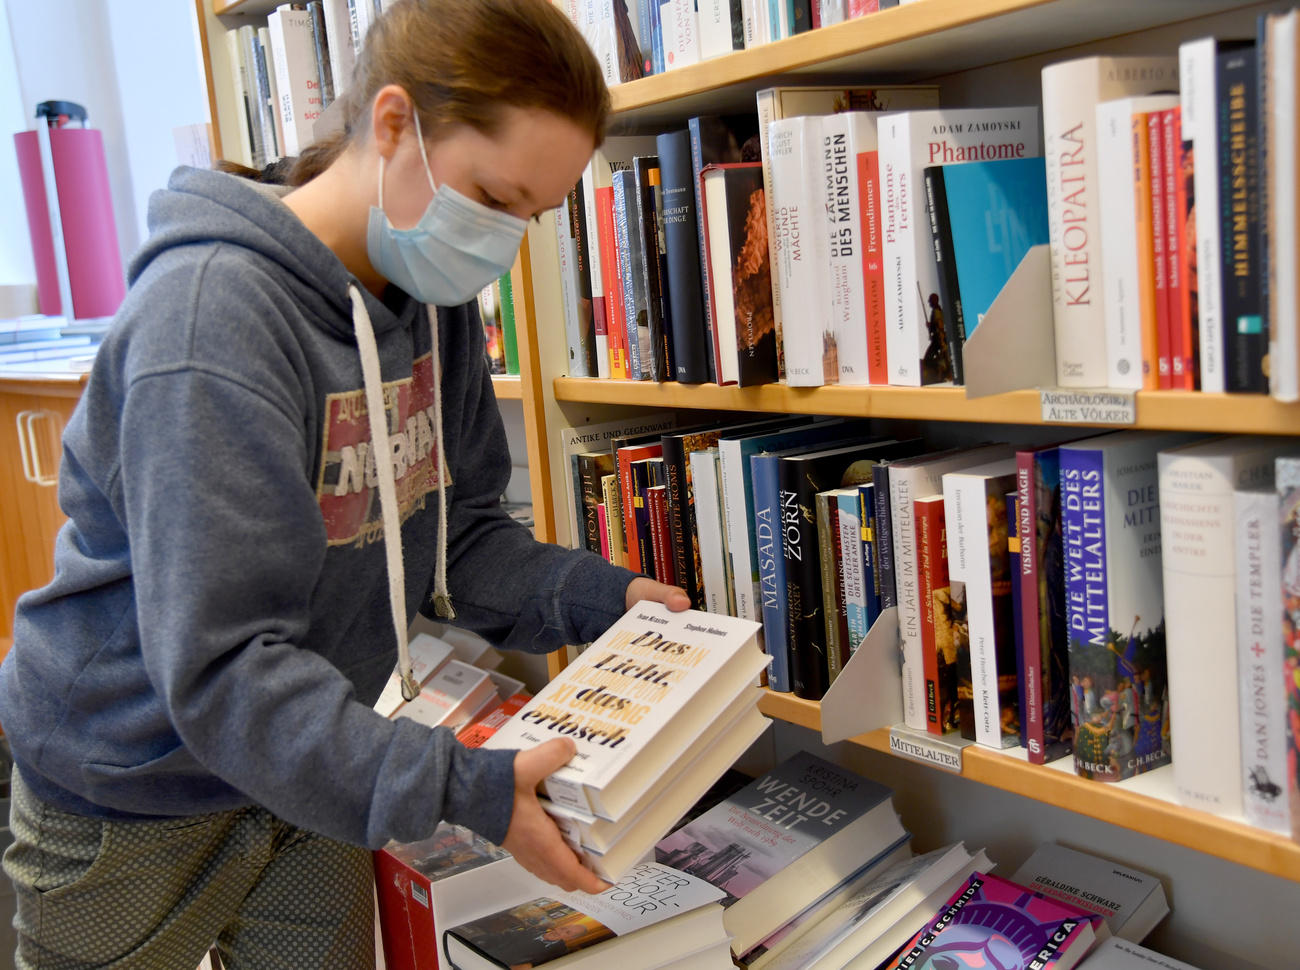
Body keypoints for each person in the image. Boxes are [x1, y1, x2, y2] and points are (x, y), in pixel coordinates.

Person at [0, 1, 689, 966]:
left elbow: (458, 535)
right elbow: (222, 666)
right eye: (493, 199)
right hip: (131, 785)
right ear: (396, 123)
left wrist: (603, 601)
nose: (503, 242)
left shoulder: (426, 293)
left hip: (310, 753)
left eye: (530, 216)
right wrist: (468, 789)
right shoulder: (212, 322)